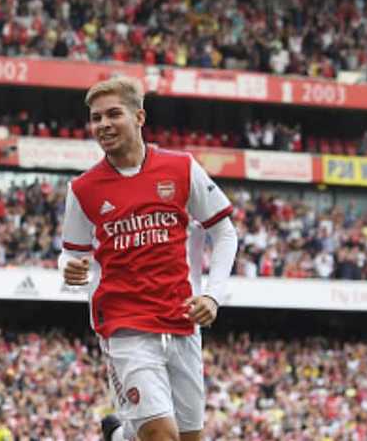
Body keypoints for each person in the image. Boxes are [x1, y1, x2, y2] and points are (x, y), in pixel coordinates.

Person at [58, 79, 239, 441]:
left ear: (139, 116)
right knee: (161, 434)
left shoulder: (181, 168)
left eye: (113, 114)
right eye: (96, 118)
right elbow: (70, 254)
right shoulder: (83, 189)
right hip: (124, 325)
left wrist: (213, 296)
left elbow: (225, 233)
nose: (103, 125)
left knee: (188, 437)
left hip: (182, 319)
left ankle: (120, 435)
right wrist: (70, 268)